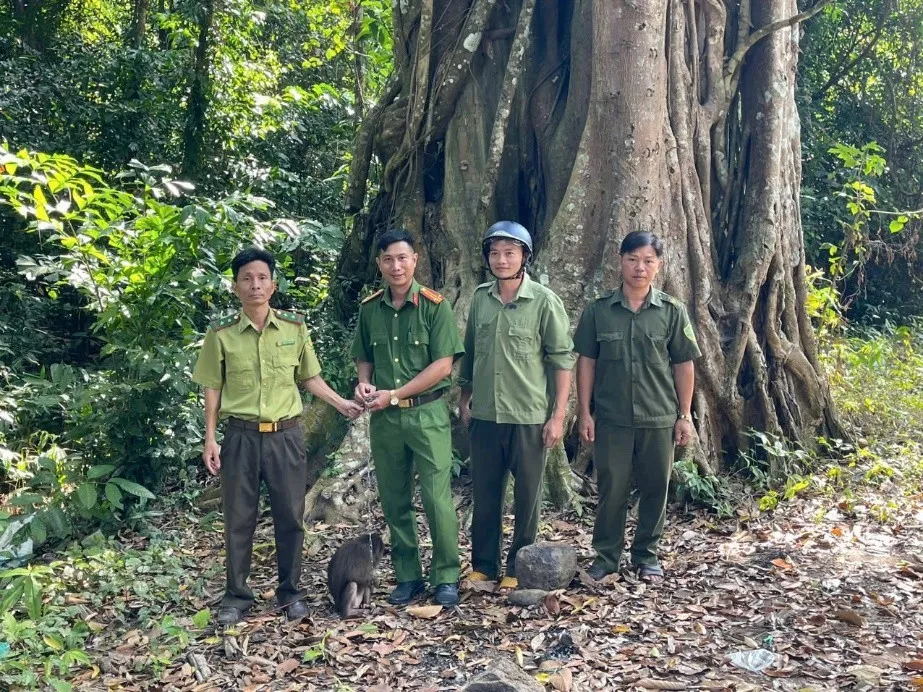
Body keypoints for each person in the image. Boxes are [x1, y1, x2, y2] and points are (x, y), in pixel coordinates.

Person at [192, 247, 363, 625]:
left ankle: (290, 592)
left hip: (286, 437)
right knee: (239, 519)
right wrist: (210, 437)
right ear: (235, 286)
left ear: (273, 284)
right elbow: (212, 389)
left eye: (262, 277)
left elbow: (309, 378)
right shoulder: (220, 336)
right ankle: (237, 596)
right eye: (246, 279)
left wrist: (340, 404)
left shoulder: (294, 328)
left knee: (290, 517)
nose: (255, 285)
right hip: (240, 437)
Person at [573, 231, 701, 583]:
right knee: (611, 488)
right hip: (612, 418)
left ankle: (647, 555)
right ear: (620, 261)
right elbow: (586, 362)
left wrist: (684, 416)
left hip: (659, 416)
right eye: (632, 259)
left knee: (655, 487)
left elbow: (684, 364)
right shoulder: (599, 311)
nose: (639, 268)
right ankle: (606, 556)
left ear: (658, 266)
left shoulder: (672, 312)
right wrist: (585, 412)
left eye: (647, 261)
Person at [350, 229, 465, 606]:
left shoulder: (435, 306)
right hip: (385, 421)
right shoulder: (370, 309)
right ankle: (408, 576)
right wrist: (364, 384)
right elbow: (364, 356)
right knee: (394, 499)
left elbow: (443, 366)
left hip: (427, 414)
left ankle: (446, 576)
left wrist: (396, 394)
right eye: (388, 259)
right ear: (380, 264)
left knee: (436, 498)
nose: (396, 266)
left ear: (415, 259)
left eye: (403, 258)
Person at [458, 221, 575, 589]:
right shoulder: (481, 298)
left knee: (527, 498)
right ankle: (483, 565)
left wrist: (558, 415)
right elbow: (472, 352)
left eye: (510, 252)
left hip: (528, 417)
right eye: (495, 253)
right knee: (486, 493)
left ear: (524, 256)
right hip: (486, 416)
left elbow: (562, 360)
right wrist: (465, 396)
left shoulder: (543, 300)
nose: (502, 259)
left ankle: (517, 566)